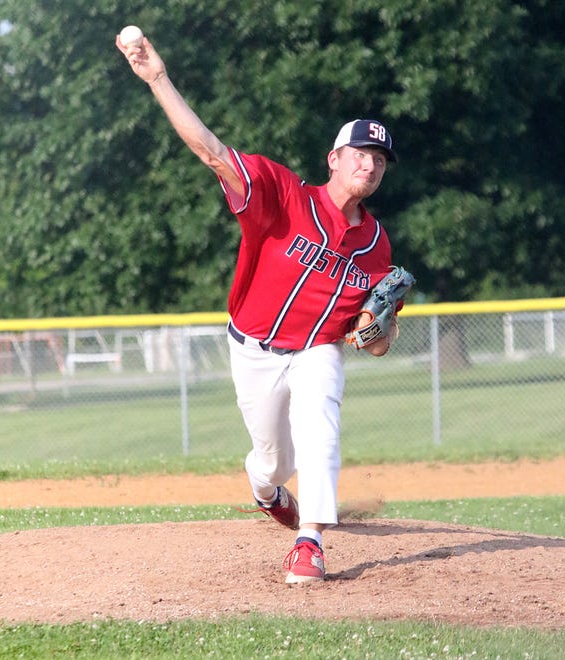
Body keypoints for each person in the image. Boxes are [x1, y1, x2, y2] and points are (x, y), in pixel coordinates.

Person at [117, 33, 399, 584]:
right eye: (361, 154)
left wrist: (375, 331)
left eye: (381, 159)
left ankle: (310, 540)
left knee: (322, 419)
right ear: (334, 160)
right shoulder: (284, 194)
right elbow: (212, 151)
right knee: (273, 460)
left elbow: (378, 338)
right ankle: (266, 488)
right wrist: (157, 78)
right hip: (253, 348)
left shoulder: (377, 246)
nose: (371, 164)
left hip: (316, 351)